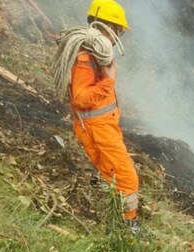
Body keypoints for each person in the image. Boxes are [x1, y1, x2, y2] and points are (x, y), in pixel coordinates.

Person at [53, 0, 140, 231]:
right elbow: (81, 99)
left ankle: (114, 219)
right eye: (118, 30)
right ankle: (128, 226)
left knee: (110, 176)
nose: (117, 36)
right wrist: (109, 78)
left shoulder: (93, 55)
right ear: (107, 26)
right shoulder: (85, 58)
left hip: (103, 126)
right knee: (127, 178)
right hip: (97, 129)